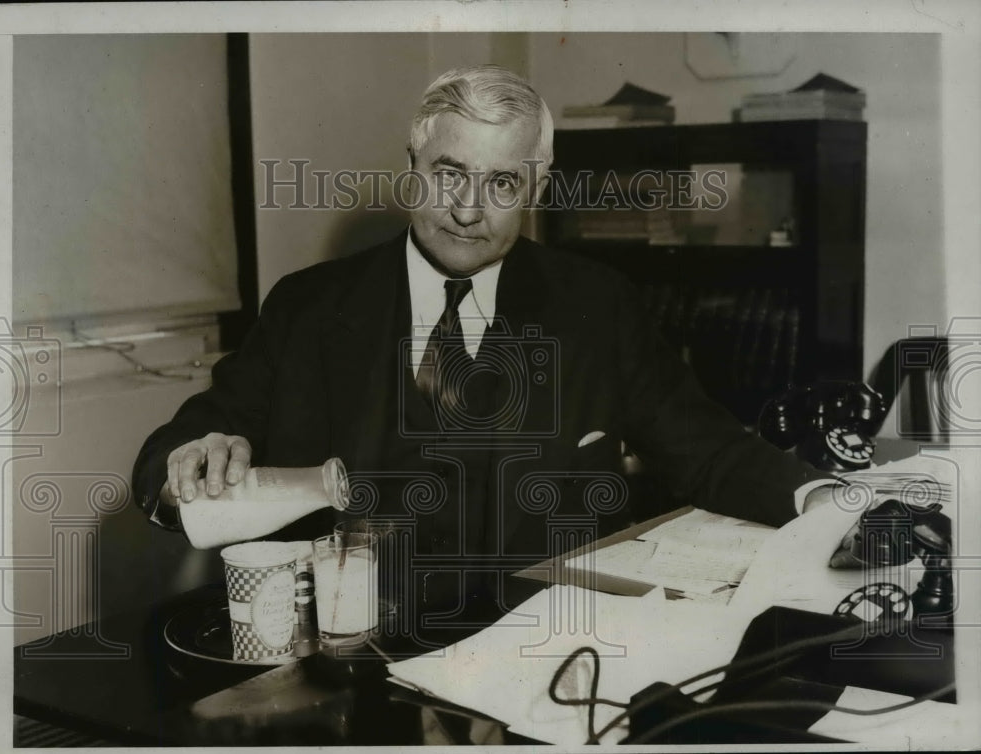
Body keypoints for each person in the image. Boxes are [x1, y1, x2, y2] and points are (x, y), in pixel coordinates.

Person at [133, 65, 834, 630]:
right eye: (449, 173)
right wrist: (188, 460)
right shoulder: (310, 307)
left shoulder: (598, 304)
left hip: (542, 643)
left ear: (536, 185)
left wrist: (829, 502)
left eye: (501, 182)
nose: (468, 209)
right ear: (413, 166)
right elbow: (186, 442)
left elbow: (708, 448)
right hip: (355, 649)